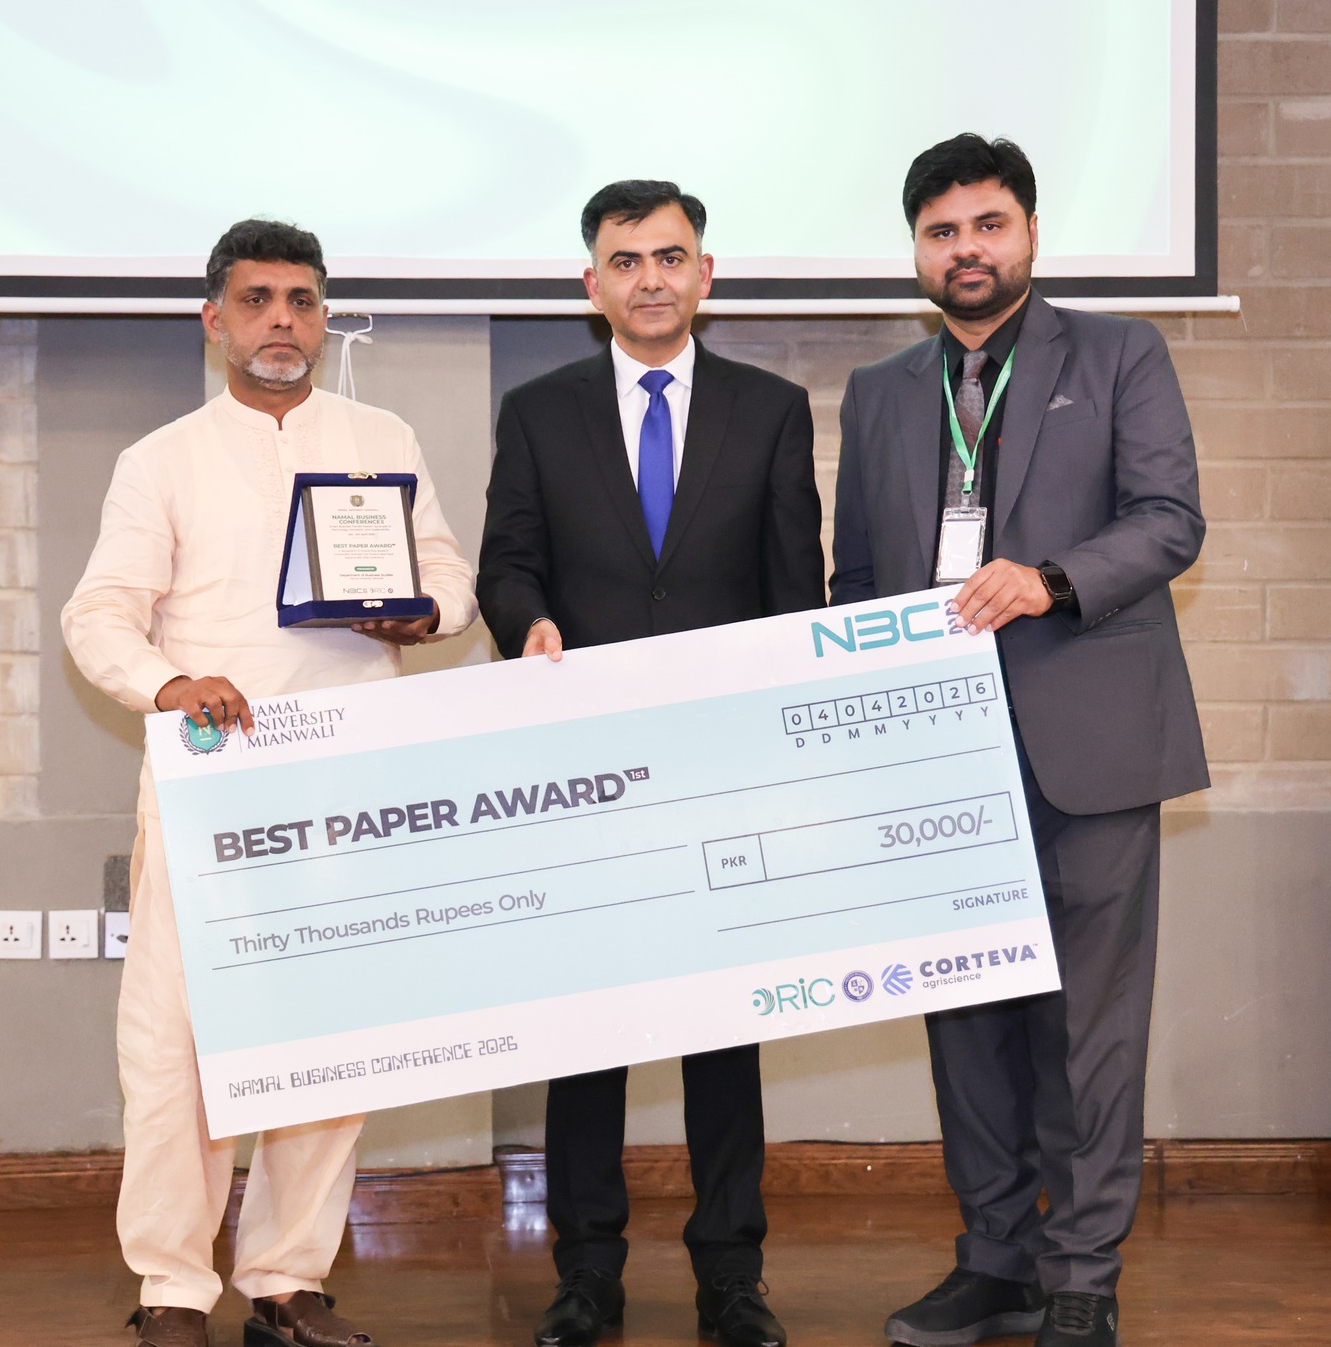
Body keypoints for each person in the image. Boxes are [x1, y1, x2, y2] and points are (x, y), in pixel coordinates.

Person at [64, 219, 477, 1347]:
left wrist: (421, 613)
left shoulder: (380, 437)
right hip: (211, 782)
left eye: (301, 300)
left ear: (323, 317)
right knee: (176, 1047)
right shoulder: (161, 459)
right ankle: (170, 1286)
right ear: (215, 321)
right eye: (256, 301)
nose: (281, 321)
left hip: (348, 782)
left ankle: (288, 1280)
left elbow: (449, 575)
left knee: (328, 1040)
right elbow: (98, 615)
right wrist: (168, 682)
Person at [830, 135, 1206, 1347]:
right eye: (941, 231)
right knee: (967, 1022)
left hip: (1089, 746)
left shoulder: (1117, 353)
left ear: (1029, 233)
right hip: (938, 755)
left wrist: (1048, 578)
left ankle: (1080, 1272)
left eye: (987, 224)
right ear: (916, 251)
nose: (966, 250)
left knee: (1087, 1028)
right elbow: (853, 581)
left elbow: (1168, 520)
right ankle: (993, 1258)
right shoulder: (880, 391)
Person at [477, 180, 824, 1347]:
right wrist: (526, 624)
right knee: (587, 1035)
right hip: (589, 775)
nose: (649, 279)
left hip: (724, 773)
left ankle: (732, 1272)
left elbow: (795, 591)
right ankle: (586, 1271)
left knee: (724, 1033)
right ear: (592, 286)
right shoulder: (538, 412)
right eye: (624, 261)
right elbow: (506, 562)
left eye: (669, 256)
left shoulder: (772, 410)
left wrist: (785, 760)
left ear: (703, 273)